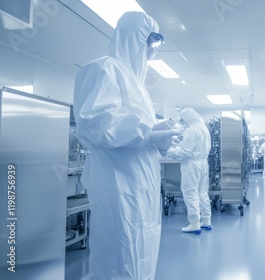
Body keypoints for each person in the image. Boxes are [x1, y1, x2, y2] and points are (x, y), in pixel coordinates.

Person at [73, 12, 179, 280]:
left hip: (142, 182)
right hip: (117, 184)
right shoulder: (103, 69)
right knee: (119, 253)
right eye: (148, 44)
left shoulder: (139, 86)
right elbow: (96, 125)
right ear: (133, 38)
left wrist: (159, 136)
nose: (150, 52)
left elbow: (133, 129)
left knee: (142, 245)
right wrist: (148, 133)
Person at [167, 107, 212, 234]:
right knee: (202, 192)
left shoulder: (191, 130)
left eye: (183, 120)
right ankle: (206, 220)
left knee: (190, 192)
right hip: (203, 163)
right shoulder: (204, 128)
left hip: (192, 165)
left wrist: (171, 150)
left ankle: (194, 223)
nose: (183, 122)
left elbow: (185, 153)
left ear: (187, 118)